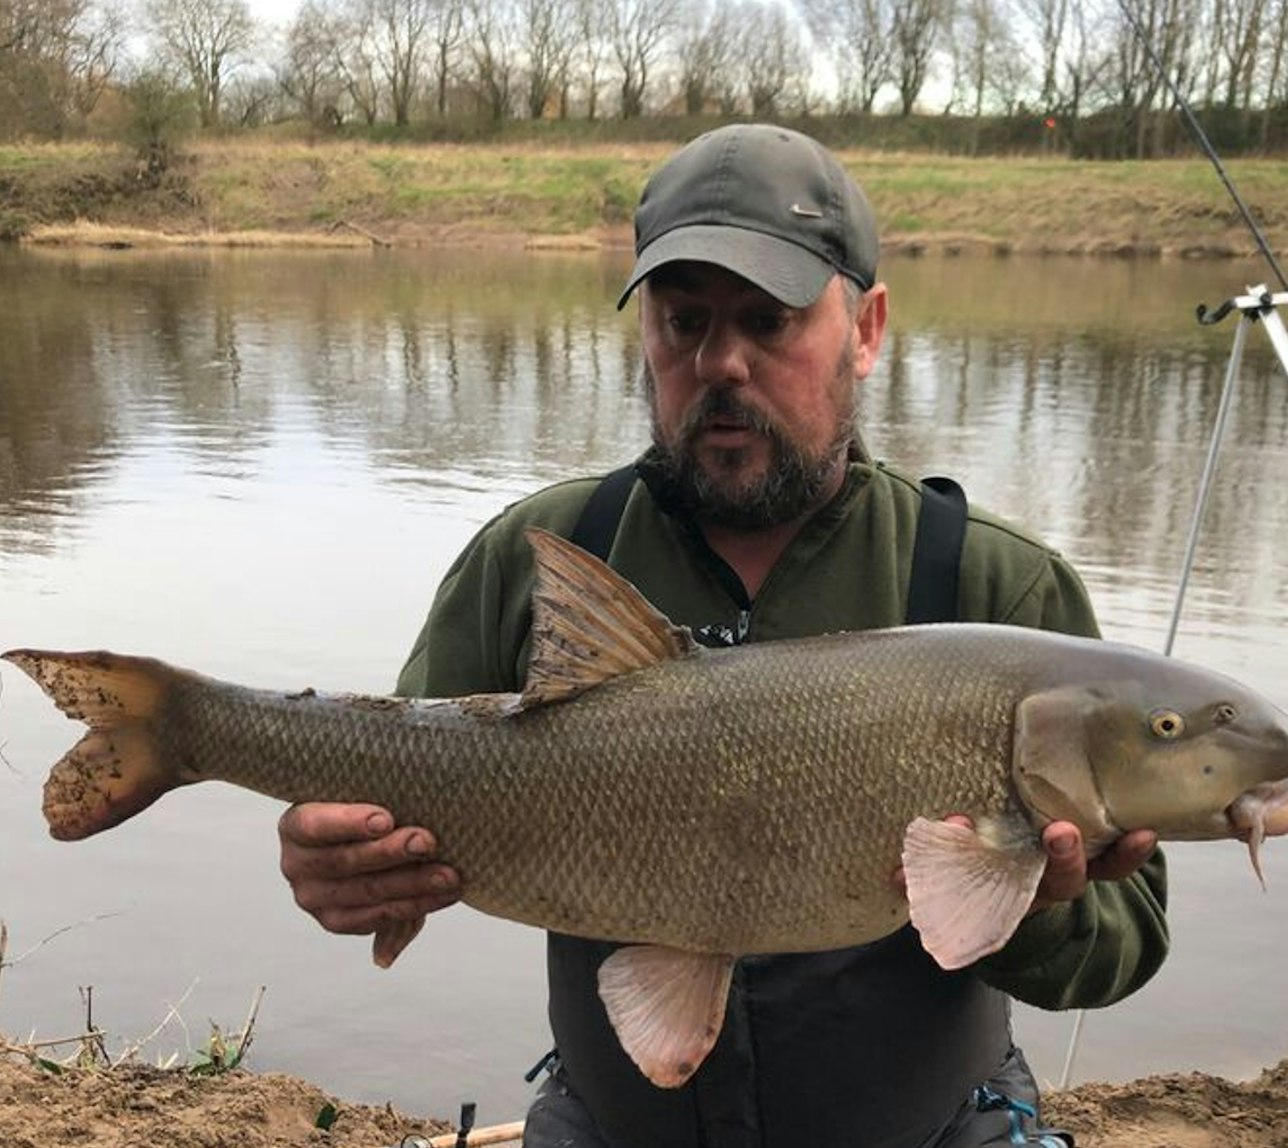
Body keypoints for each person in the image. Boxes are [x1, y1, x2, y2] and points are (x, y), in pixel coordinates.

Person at [277, 124, 1168, 1148]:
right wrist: (338, 864)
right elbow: (395, 796)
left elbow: (1126, 941)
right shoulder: (544, 555)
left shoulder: (993, 584)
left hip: (928, 1126)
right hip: (619, 1117)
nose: (721, 362)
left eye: (769, 319)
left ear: (867, 329)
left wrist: (1031, 896)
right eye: (684, 319)